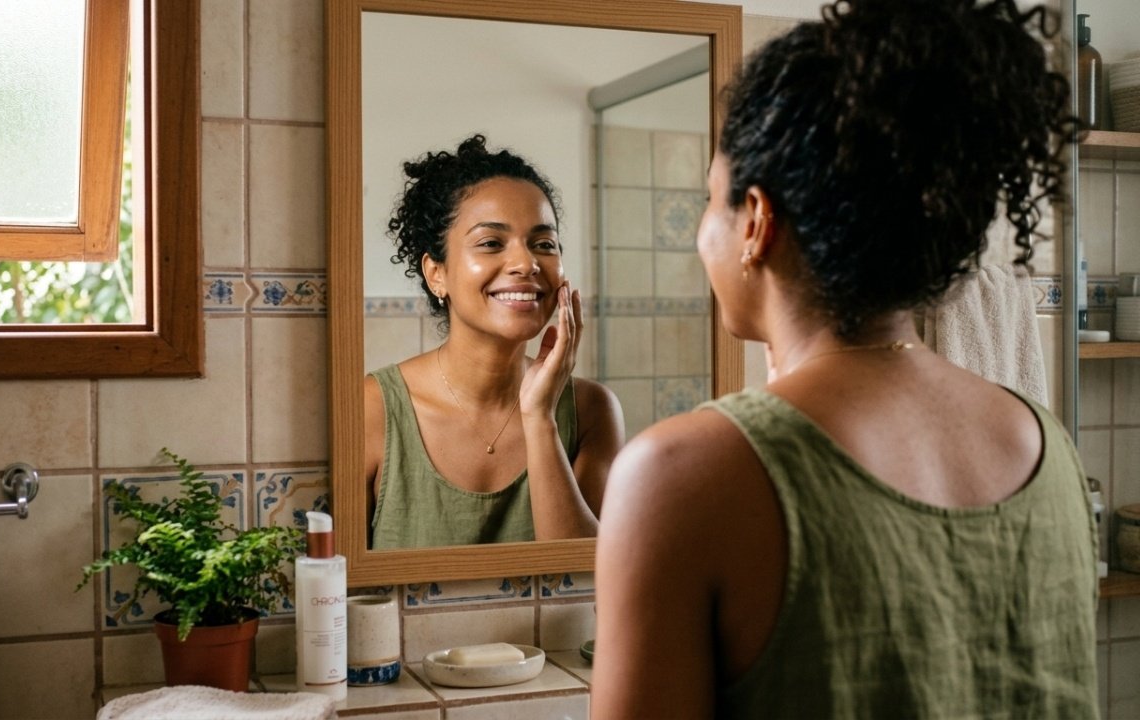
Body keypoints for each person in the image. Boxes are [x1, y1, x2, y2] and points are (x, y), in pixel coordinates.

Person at [593, 1, 1097, 717]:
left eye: (712, 201)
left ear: (756, 223)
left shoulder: (680, 475)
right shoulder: (1042, 447)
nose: (704, 233)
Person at [365, 134, 624, 549]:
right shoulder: (372, 409)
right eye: (490, 243)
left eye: (544, 244)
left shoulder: (592, 411)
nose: (526, 263)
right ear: (436, 274)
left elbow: (583, 582)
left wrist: (539, 418)